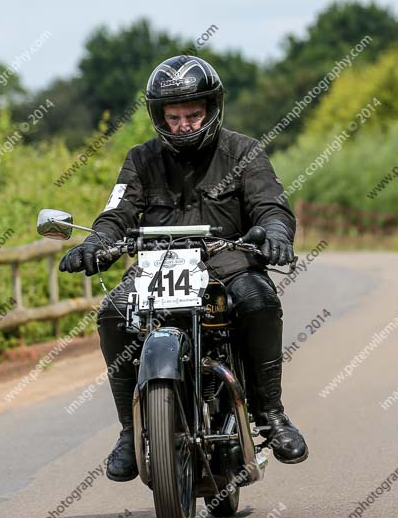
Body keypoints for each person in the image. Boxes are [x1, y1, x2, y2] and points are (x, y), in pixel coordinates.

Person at [59, 55, 308, 481]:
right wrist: (96, 243)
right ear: (160, 116)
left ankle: (271, 415)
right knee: (114, 312)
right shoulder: (140, 159)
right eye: (174, 117)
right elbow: (116, 214)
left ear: (212, 109)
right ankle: (127, 430)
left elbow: (271, 207)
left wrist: (277, 234)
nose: (184, 124)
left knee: (258, 298)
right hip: (158, 269)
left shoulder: (244, 152)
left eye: (193, 114)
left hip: (227, 263)